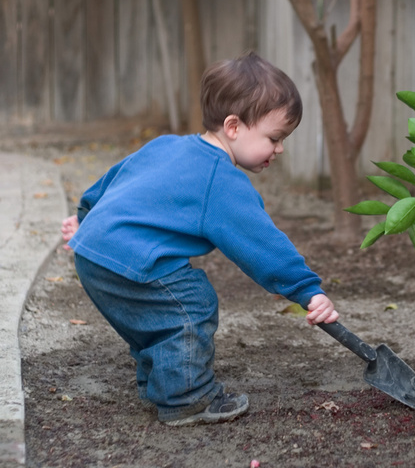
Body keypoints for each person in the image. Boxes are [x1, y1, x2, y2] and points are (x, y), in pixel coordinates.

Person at [60, 52, 339, 427]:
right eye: (275, 138)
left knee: (155, 315)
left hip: (91, 253)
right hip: (128, 257)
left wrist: (83, 218)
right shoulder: (220, 178)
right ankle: (187, 397)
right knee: (190, 306)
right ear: (234, 126)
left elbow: (114, 179)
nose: (280, 149)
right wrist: (308, 290)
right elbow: (261, 244)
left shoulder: (165, 145)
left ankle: (160, 383)